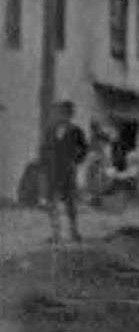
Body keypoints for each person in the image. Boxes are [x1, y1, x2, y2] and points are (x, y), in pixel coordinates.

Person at [43, 99, 88, 242]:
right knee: (51, 201)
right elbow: (44, 148)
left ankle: (74, 232)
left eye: (66, 113)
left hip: (68, 171)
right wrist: (44, 165)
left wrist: (76, 162)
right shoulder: (50, 130)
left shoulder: (76, 131)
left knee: (70, 202)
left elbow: (84, 148)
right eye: (60, 113)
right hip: (53, 171)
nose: (62, 116)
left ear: (71, 115)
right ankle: (55, 233)